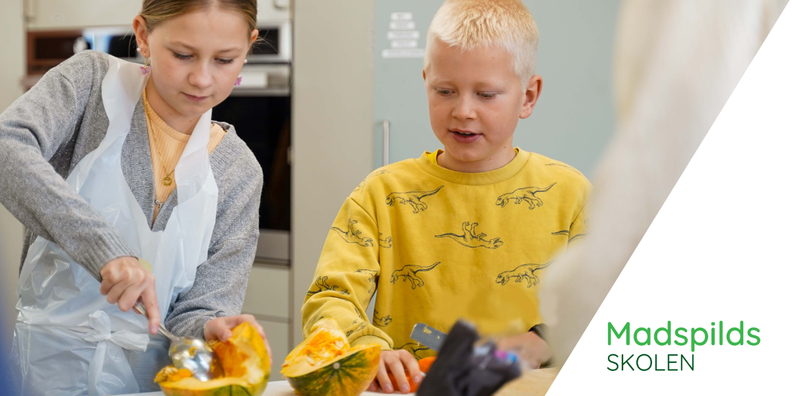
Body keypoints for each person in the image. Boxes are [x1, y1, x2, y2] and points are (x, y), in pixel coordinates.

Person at [300, 0, 590, 393]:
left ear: (528, 96)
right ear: (425, 82)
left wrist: (541, 339)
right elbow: (329, 297)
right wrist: (365, 349)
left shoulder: (571, 194)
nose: (463, 111)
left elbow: (607, 299)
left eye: (486, 94)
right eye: (445, 91)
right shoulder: (380, 193)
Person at [0, 0, 267, 394]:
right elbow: (7, 146)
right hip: (43, 374)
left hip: (152, 385)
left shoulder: (239, 173)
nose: (201, 79)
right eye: (182, 55)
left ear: (248, 47)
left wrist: (211, 326)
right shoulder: (91, 85)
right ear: (143, 34)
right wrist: (104, 249)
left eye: (225, 60)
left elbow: (198, 311)